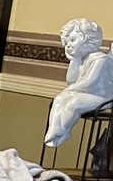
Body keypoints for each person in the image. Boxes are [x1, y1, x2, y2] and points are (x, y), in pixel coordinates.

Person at [46, 18, 113, 146]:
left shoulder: (101, 59)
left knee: (74, 103)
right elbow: (71, 81)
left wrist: (69, 90)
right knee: (59, 98)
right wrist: (74, 60)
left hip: (103, 97)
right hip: (87, 93)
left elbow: (89, 83)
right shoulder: (81, 60)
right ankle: (55, 130)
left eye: (72, 40)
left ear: (88, 40)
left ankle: (63, 131)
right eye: (66, 43)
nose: (68, 45)